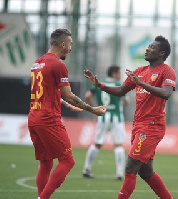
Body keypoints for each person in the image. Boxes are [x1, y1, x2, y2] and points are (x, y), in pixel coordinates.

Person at [84, 35, 176, 199]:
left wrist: (141, 84)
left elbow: (166, 93)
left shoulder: (167, 71)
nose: (147, 49)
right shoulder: (139, 71)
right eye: (148, 46)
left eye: (152, 47)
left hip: (152, 126)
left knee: (130, 166)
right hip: (138, 125)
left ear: (162, 53)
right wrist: (99, 85)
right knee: (145, 172)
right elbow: (121, 91)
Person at [28, 29, 106, 199]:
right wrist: (92, 110)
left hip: (33, 118)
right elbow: (69, 95)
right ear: (63, 44)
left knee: (46, 162)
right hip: (49, 120)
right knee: (67, 161)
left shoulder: (37, 63)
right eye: (70, 44)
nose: (71, 48)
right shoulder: (58, 65)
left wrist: (64, 105)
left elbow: (45, 92)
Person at [82, 65, 130, 180]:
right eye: (118, 73)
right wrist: (122, 101)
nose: (120, 75)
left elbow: (87, 96)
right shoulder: (119, 85)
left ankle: (87, 168)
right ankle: (119, 173)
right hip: (116, 117)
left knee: (97, 144)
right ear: (114, 73)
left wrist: (94, 109)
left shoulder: (99, 83)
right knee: (118, 145)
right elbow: (127, 102)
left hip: (102, 116)